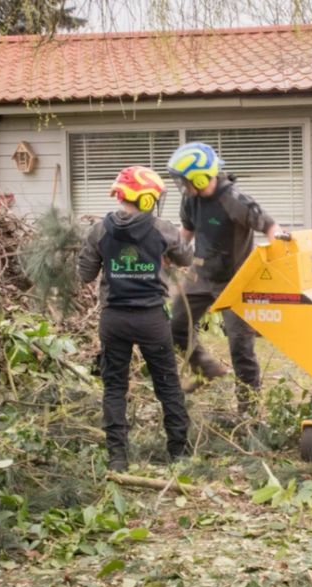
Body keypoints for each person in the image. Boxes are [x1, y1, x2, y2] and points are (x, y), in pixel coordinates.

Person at [77, 165, 194, 471]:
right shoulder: (162, 229)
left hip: (113, 319)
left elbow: (85, 274)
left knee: (114, 387)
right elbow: (186, 257)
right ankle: (179, 454)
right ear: (146, 199)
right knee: (167, 384)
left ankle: (117, 458)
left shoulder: (99, 230)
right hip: (151, 319)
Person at [166, 142, 284, 416]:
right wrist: (171, 253)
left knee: (240, 347)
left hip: (235, 282)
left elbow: (269, 225)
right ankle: (206, 369)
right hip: (200, 274)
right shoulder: (191, 199)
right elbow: (186, 232)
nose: (181, 186)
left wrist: (279, 240)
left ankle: (248, 411)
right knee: (177, 327)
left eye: (184, 180)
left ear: (200, 177)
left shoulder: (234, 200)